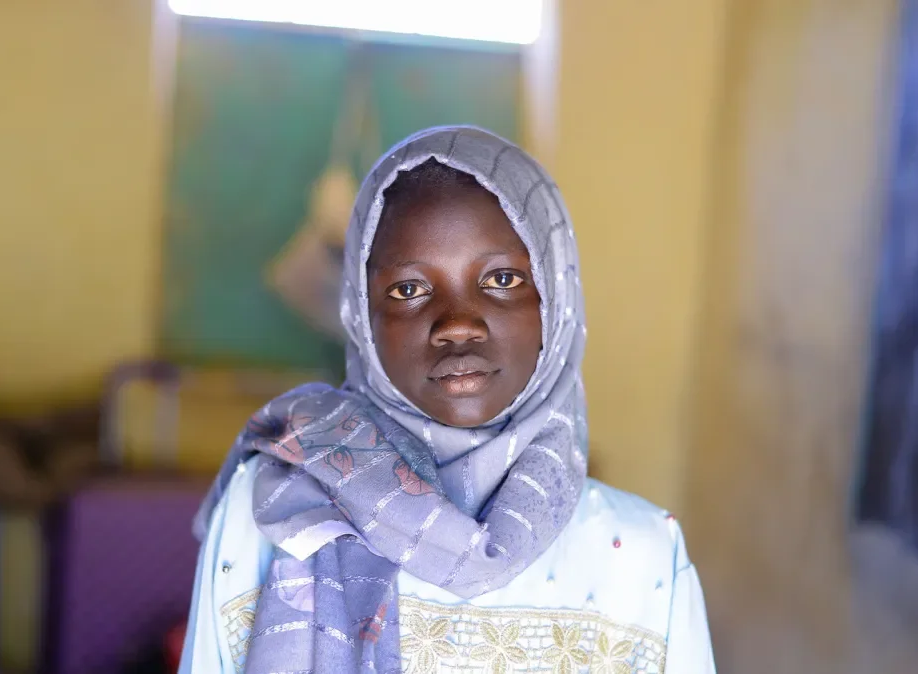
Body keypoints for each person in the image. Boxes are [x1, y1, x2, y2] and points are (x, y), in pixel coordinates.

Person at [179, 126, 715, 673]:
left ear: (556, 300)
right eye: (409, 289)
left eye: (502, 279)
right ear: (362, 315)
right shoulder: (273, 514)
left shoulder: (642, 558)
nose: (458, 324)